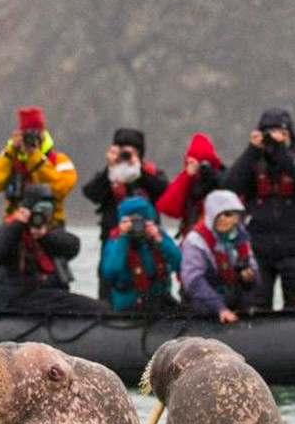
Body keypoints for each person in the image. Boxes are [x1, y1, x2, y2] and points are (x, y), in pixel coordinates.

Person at [222, 109, 295, 309]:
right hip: (258, 249)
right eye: (269, 133)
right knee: (256, 306)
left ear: (290, 136)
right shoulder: (252, 163)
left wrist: (282, 152)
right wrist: (252, 150)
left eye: (281, 133)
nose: (274, 138)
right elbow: (228, 188)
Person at [0, 184, 106, 314]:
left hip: (45, 294)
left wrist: (45, 236)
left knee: (95, 306)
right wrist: (16, 226)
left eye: (48, 210)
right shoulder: (11, 229)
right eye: (40, 210)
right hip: (19, 296)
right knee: (97, 308)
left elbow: (72, 246)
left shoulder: (49, 230)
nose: (43, 215)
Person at [82, 128, 170, 301]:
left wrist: (139, 171)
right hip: (114, 243)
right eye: (123, 150)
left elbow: (165, 192)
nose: (127, 155)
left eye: (132, 151)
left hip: (148, 244)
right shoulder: (110, 175)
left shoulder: (151, 173)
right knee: (109, 290)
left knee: (153, 288)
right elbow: (90, 193)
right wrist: (109, 169)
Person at [0, 105, 77, 225]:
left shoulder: (58, 160)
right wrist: (10, 152)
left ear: (43, 134)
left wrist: (35, 157)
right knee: (0, 237)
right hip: (16, 222)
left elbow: (61, 189)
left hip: (50, 223)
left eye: (35, 134)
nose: (30, 140)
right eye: (26, 135)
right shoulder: (11, 160)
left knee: (62, 237)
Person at [179, 190, 259, 323]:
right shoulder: (195, 241)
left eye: (228, 214)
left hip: (235, 303)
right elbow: (193, 281)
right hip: (203, 307)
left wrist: (250, 277)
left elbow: (254, 272)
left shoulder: (242, 237)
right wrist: (220, 308)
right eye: (218, 215)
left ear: (237, 217)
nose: (223, 219)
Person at [100, 196, 182, 312]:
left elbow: (178, 263)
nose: (138, 225)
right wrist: (123, 237)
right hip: (129, 304)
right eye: (133, 221)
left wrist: (160, 240)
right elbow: (110, 272)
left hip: (161, 300)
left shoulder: (159, 236)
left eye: (143, 219)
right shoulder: (116, 240)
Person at [155, 133, 225, 240]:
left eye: (205, 163)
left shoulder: (221, 178)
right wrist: (185, 177)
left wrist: (212, 176)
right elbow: (167, 208)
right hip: (191, 237)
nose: (201, 167)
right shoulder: (187, 182)